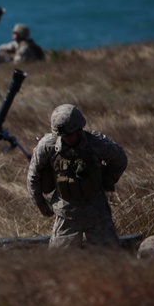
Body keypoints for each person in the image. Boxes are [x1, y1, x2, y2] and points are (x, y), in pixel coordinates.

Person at [27, 104, 128, 249]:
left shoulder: (96, 143)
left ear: (79, 128)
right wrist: (40, 202)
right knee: (59, 262)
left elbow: (120, 159)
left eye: (70, 134)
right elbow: (33, 175)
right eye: (63, 135)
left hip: (96, 209)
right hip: (66, 210)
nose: (67, 138)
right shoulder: (47, 146)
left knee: (108, 256)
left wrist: (106, 180)